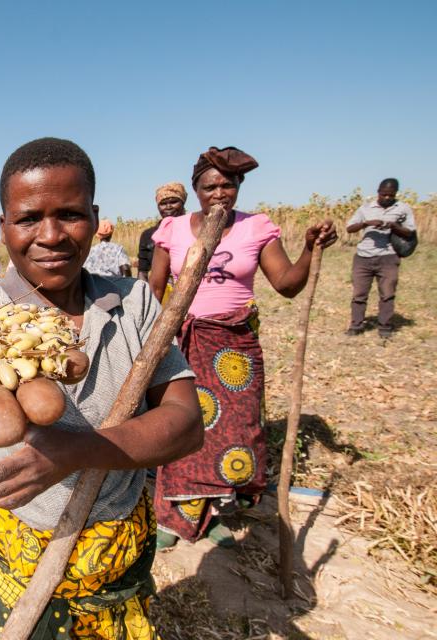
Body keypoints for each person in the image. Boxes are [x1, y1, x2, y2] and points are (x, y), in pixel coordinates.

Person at [0, 137, 202, 639]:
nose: (51, 235)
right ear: (2, 227)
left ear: (95, 215)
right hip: (10, 540)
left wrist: (78, 451)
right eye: (27, 219)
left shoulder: (134, 305)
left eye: (69, 214)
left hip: (110, 541)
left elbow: (187, 425)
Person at [149, 146, 337, 549]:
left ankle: (213, 511)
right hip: (185, 341)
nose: (219, 193)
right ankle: (176, 515)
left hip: (234, 347)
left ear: (239, 186)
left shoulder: (256, 228)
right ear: (196, 190)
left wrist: (309, 249)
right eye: (210, 186)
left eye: (228, 185)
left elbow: (286, 284)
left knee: (233, 431)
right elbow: (154, 288)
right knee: (183, 423)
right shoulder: (173, 231)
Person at [345, 178, 417, 338]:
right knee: (359, 294)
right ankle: (356, 326)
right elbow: (350, 228)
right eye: (383, 194)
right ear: (378, 192)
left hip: (388, 257)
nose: (386, 198)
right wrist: (366, 223)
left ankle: (385, 327)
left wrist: (393, 225)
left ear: (395, 194)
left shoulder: (403, 209)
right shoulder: (365, 208)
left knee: (387, 293)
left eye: (390, 195)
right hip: (363, 256)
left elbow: (410, 232)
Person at [137, 182, 188, 281]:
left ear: (183, 203)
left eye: (173, 202)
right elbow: (142, 272)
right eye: (163, 204)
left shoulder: (193, 229)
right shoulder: (148, 235)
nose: (168, 207)